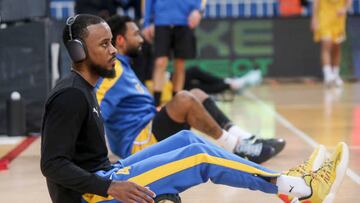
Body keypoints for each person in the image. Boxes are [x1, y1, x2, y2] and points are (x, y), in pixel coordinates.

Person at [40, 14, 349, 203]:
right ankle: (300, 187)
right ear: (78, 51)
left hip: (107, 175)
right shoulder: (70, 96)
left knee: (190, 140)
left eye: (112, 43)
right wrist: (109, 187)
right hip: (92, 196)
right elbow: (52, 165)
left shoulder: (85, 88)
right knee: (199, 158)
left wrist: (109, 178)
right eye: (104, 45)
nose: (113, 50)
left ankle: (283, 185)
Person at [97, 15, 285, 164]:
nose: (141, 39)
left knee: (196, 94)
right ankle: (236, 147)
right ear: (120, 40)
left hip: (148, 127)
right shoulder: (114, 70)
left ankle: (246, 139)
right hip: (138, 143)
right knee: (185, 98)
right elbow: (95, 108)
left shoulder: (124, 65)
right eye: (136, 34)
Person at [142, 0, 206, 106]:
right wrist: (146, 22)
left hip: (185, 20)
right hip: (161, 20)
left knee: (180, 64)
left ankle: (177, 103)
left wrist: (198, 11)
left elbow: (202, 3)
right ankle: (156, 104)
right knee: (160, 62)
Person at [311, 0, 352, 87]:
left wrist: (345, 9)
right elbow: (316, 2)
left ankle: (335, 74)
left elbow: (349, 1)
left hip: (338, 19)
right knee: (326, 45)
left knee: (336, 48)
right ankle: (327, 75)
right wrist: (314, 18)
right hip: (324, 17)